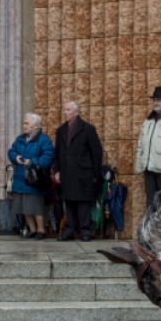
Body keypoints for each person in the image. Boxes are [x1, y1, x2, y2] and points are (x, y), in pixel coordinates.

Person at [53, 100, 104, 241]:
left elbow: (96, 153)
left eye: (68, 110)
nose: (65, 112)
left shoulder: (88, 129)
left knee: (83, 203)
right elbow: (57, 153)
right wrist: (57, 171)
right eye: (65, 110)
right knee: (68, 202)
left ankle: (85, 231)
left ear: (76, 112)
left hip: (83, 172)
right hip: (67, 173)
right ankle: (69, 230)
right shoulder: (60, 130)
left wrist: (95, 173)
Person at [9, 113, 56, 239]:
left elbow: (48, 158)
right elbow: (12, 151)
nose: (24, 126)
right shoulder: (20, 138)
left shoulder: (44, 140)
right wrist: (15, 157)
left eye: (27, 123)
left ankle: (41, 230)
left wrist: (32, 162)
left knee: (35, 208)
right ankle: (32, 229)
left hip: (34, 180)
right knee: (24, 208)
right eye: (24, 123)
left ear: (36, 126)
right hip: (20, 178)